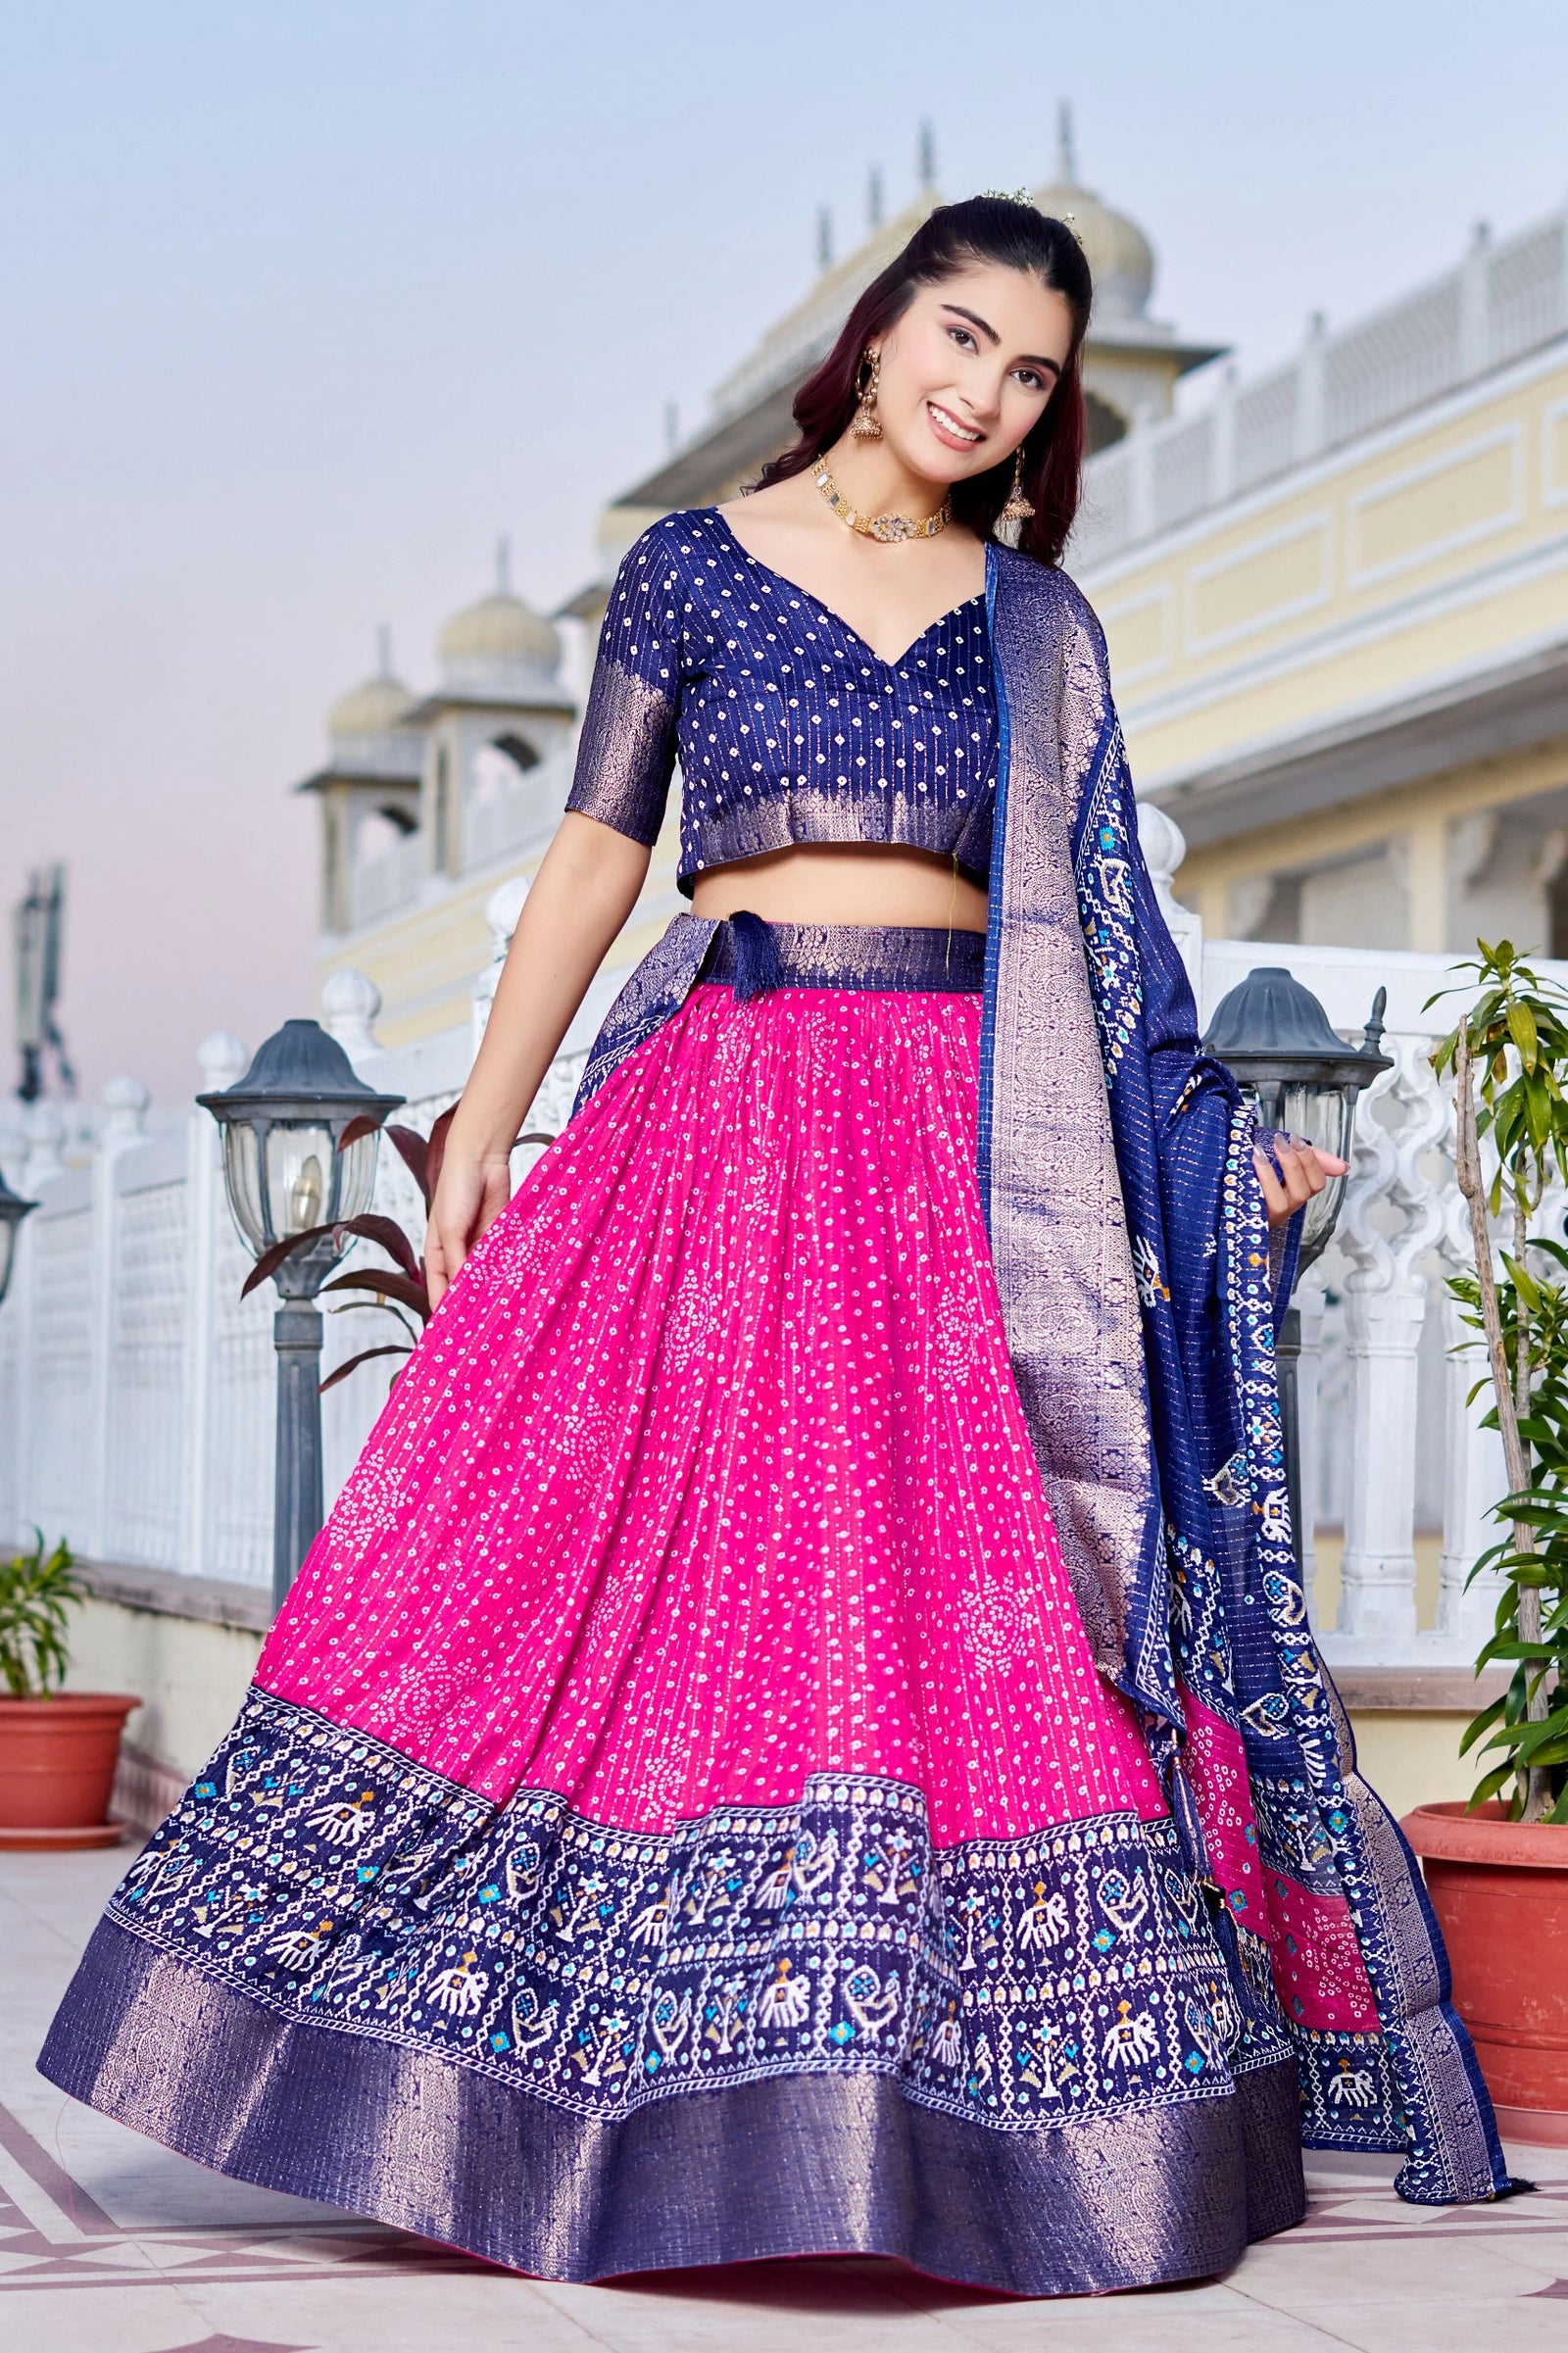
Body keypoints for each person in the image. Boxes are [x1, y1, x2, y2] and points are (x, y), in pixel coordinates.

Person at [39, 196, 1521, 2298]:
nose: (983, 391)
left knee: (935, 1611)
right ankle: (549, 2078)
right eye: (962, 337)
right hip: (722, 1125)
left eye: (1027, 375)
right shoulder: (691, 569)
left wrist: (1212, 1150)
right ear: (880, 328)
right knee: (643, 1581)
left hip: (958, 1157)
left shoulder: (1036, 626)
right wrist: (484, 1108)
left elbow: (1115, 948)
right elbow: (589, 855)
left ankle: (921, 2103)